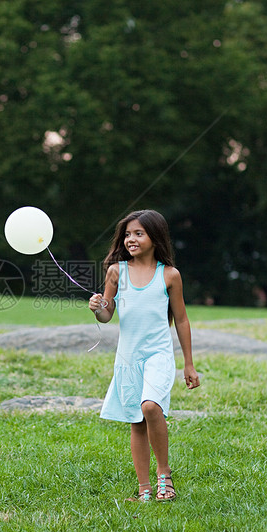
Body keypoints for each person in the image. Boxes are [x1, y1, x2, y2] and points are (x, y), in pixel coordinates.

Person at [88, 209, 200, 502]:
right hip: (128, 357)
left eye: (138, 233)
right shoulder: (117, 271)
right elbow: (107, 314)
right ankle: (144, 490)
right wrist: (98, 306)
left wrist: (188, 363)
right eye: (127, 234)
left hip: (158, 355)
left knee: (151, 407)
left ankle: (165, 476)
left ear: (155, 237)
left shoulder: (169, 275)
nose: (130, 239)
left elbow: (182, 319)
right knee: (136, 420)